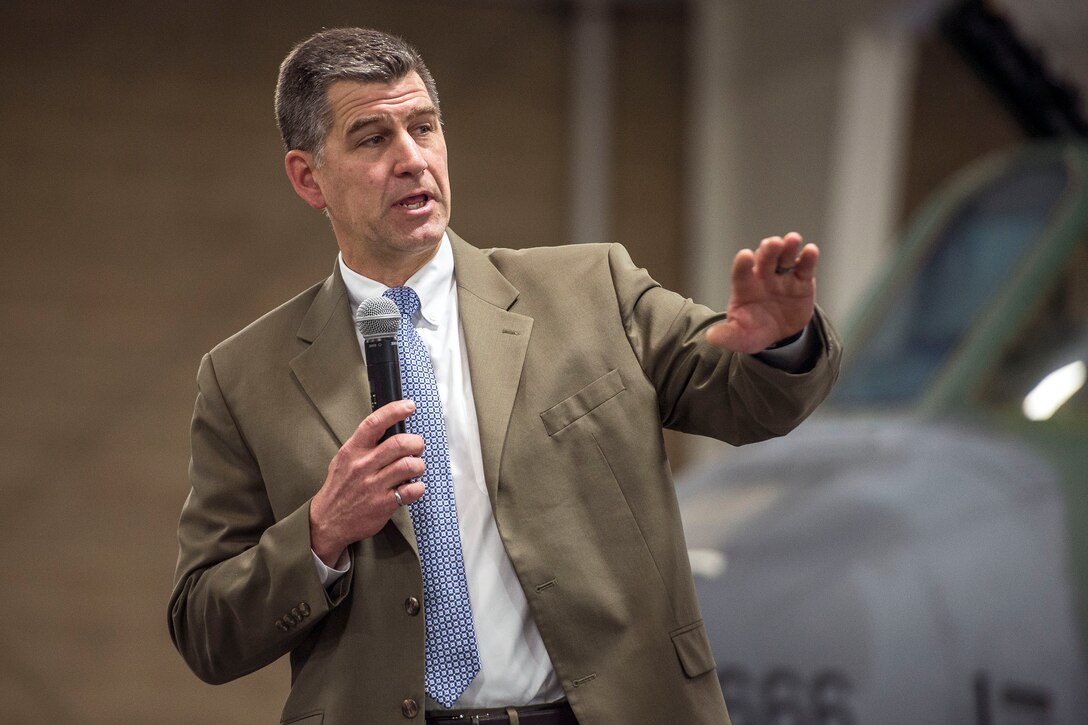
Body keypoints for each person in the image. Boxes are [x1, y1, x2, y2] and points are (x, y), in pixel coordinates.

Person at [168, 27, 841, 725]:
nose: (411, 159)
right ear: (309, 177)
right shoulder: (243, 378)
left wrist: (778, 344)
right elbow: (204, 627)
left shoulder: (592, 288)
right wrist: (318, 532)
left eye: (423, 127)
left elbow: (749, 403)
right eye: (372, 139)